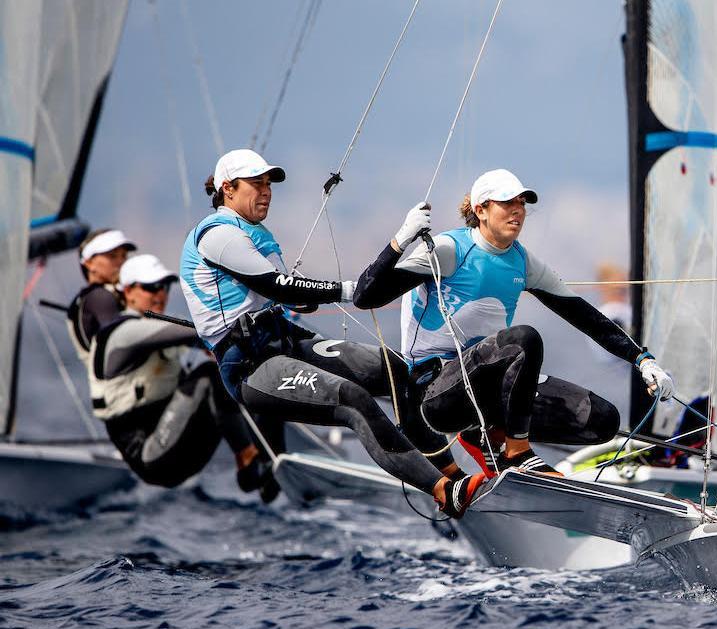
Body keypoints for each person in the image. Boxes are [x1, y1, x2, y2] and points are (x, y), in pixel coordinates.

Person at [179, 148, 484, 517]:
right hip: (249, 366)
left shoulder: (254, 232)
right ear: (228, 189)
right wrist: (348, 290)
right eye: (255, 184)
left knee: (393, 368)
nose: (266, 191)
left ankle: (451, 472)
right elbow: (280, 287)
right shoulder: (217, 235)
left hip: (284, 340)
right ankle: (442, 491)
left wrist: (300, 298)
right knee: (352, 399)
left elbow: (279, 293)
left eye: (268, 184)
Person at [353, 168, 675, 478]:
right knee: (523, 340)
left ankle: (493, 438)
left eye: (521, 203)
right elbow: (367, 296)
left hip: (488, 389)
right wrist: (401, 239)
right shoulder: (450, 249)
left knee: (600, 420)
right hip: (437, 393)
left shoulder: (522, 261)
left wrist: (642, 360)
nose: (517, 211)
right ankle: (516, 452)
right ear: (481, 210)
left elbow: (587, 317)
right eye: (507, 203)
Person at [90, 254, 275, 496]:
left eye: (164, 287)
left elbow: (207, 339)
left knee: (240, 371)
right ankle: (248, 458)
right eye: (151, 287)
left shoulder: (155, 328)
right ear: (128, 291)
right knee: (210, 374)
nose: (160, 294)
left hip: (180, 447)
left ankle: (270, 461)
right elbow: (197, 332)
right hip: (151, 457)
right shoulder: (123, 333)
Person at [66, 228, 137, 360]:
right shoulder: (99, 296)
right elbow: (121, 340)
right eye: (113, 256)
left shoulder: (92, 296)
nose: (121, 262)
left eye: (124, 256)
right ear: (89, 263)